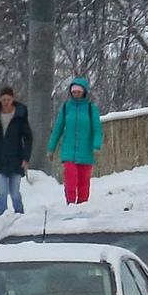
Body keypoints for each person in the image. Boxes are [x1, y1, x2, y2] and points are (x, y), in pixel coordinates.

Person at [47, 77, 104, 206]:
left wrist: (96, 144)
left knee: (84, 180)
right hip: (69, 150)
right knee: (70, 177)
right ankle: (71, 203)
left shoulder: (91, 108)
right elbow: (58, 128)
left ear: (84, 92)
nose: (76, 95)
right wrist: (51, 148)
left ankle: (82, 204)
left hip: (86, 150)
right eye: (74, 92)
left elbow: (97, 129)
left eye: (78, 92)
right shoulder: (66, 108)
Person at [0, 86, 33, 215]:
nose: (6, 102)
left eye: (8, 99)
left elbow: (28, 137)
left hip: (16, 158)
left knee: (15, 193)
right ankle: (2, 219)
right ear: (0, 99)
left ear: (13, 99)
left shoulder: (20, 115)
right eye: (3, 99)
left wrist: (26, 158)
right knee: (2, 192)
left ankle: (20, 216)